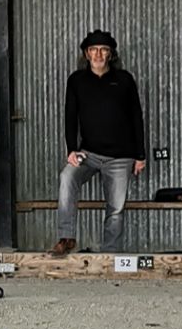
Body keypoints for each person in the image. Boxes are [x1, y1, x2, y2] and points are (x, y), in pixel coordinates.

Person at [50, 29, 146, 256]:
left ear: (111, 54)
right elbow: (70, 116)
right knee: (67, 177)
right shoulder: (76, 80)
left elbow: (136, 116)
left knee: (116, 208)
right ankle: (66, 237)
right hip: (89, 153)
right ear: (86, 53)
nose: (98, 54)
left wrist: (140, 155)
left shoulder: (124, 80)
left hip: (121, 156)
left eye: (103, 50)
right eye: (93, 50)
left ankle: (109, 254)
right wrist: (71, 150)